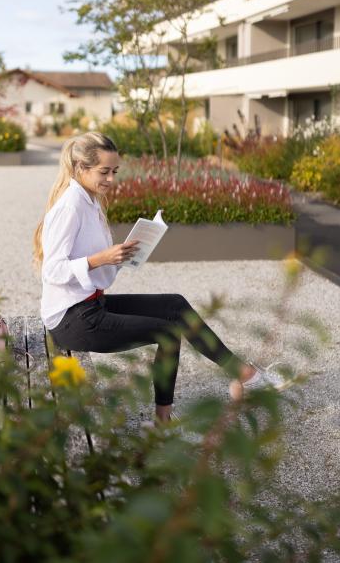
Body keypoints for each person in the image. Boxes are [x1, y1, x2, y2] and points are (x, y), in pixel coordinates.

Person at [33, 131, 287, 424]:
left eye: (115, 171)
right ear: (81, 169)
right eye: (104, 172)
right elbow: (51, 271)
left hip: (90, 305)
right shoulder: (70, 207)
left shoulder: (90, 202)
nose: (111, 180)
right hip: (71, 320)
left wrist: (125, 255)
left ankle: (246, 376)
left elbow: (93, 268)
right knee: (167, 333)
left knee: (174, 305)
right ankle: (162, 423)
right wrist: (101, 259)